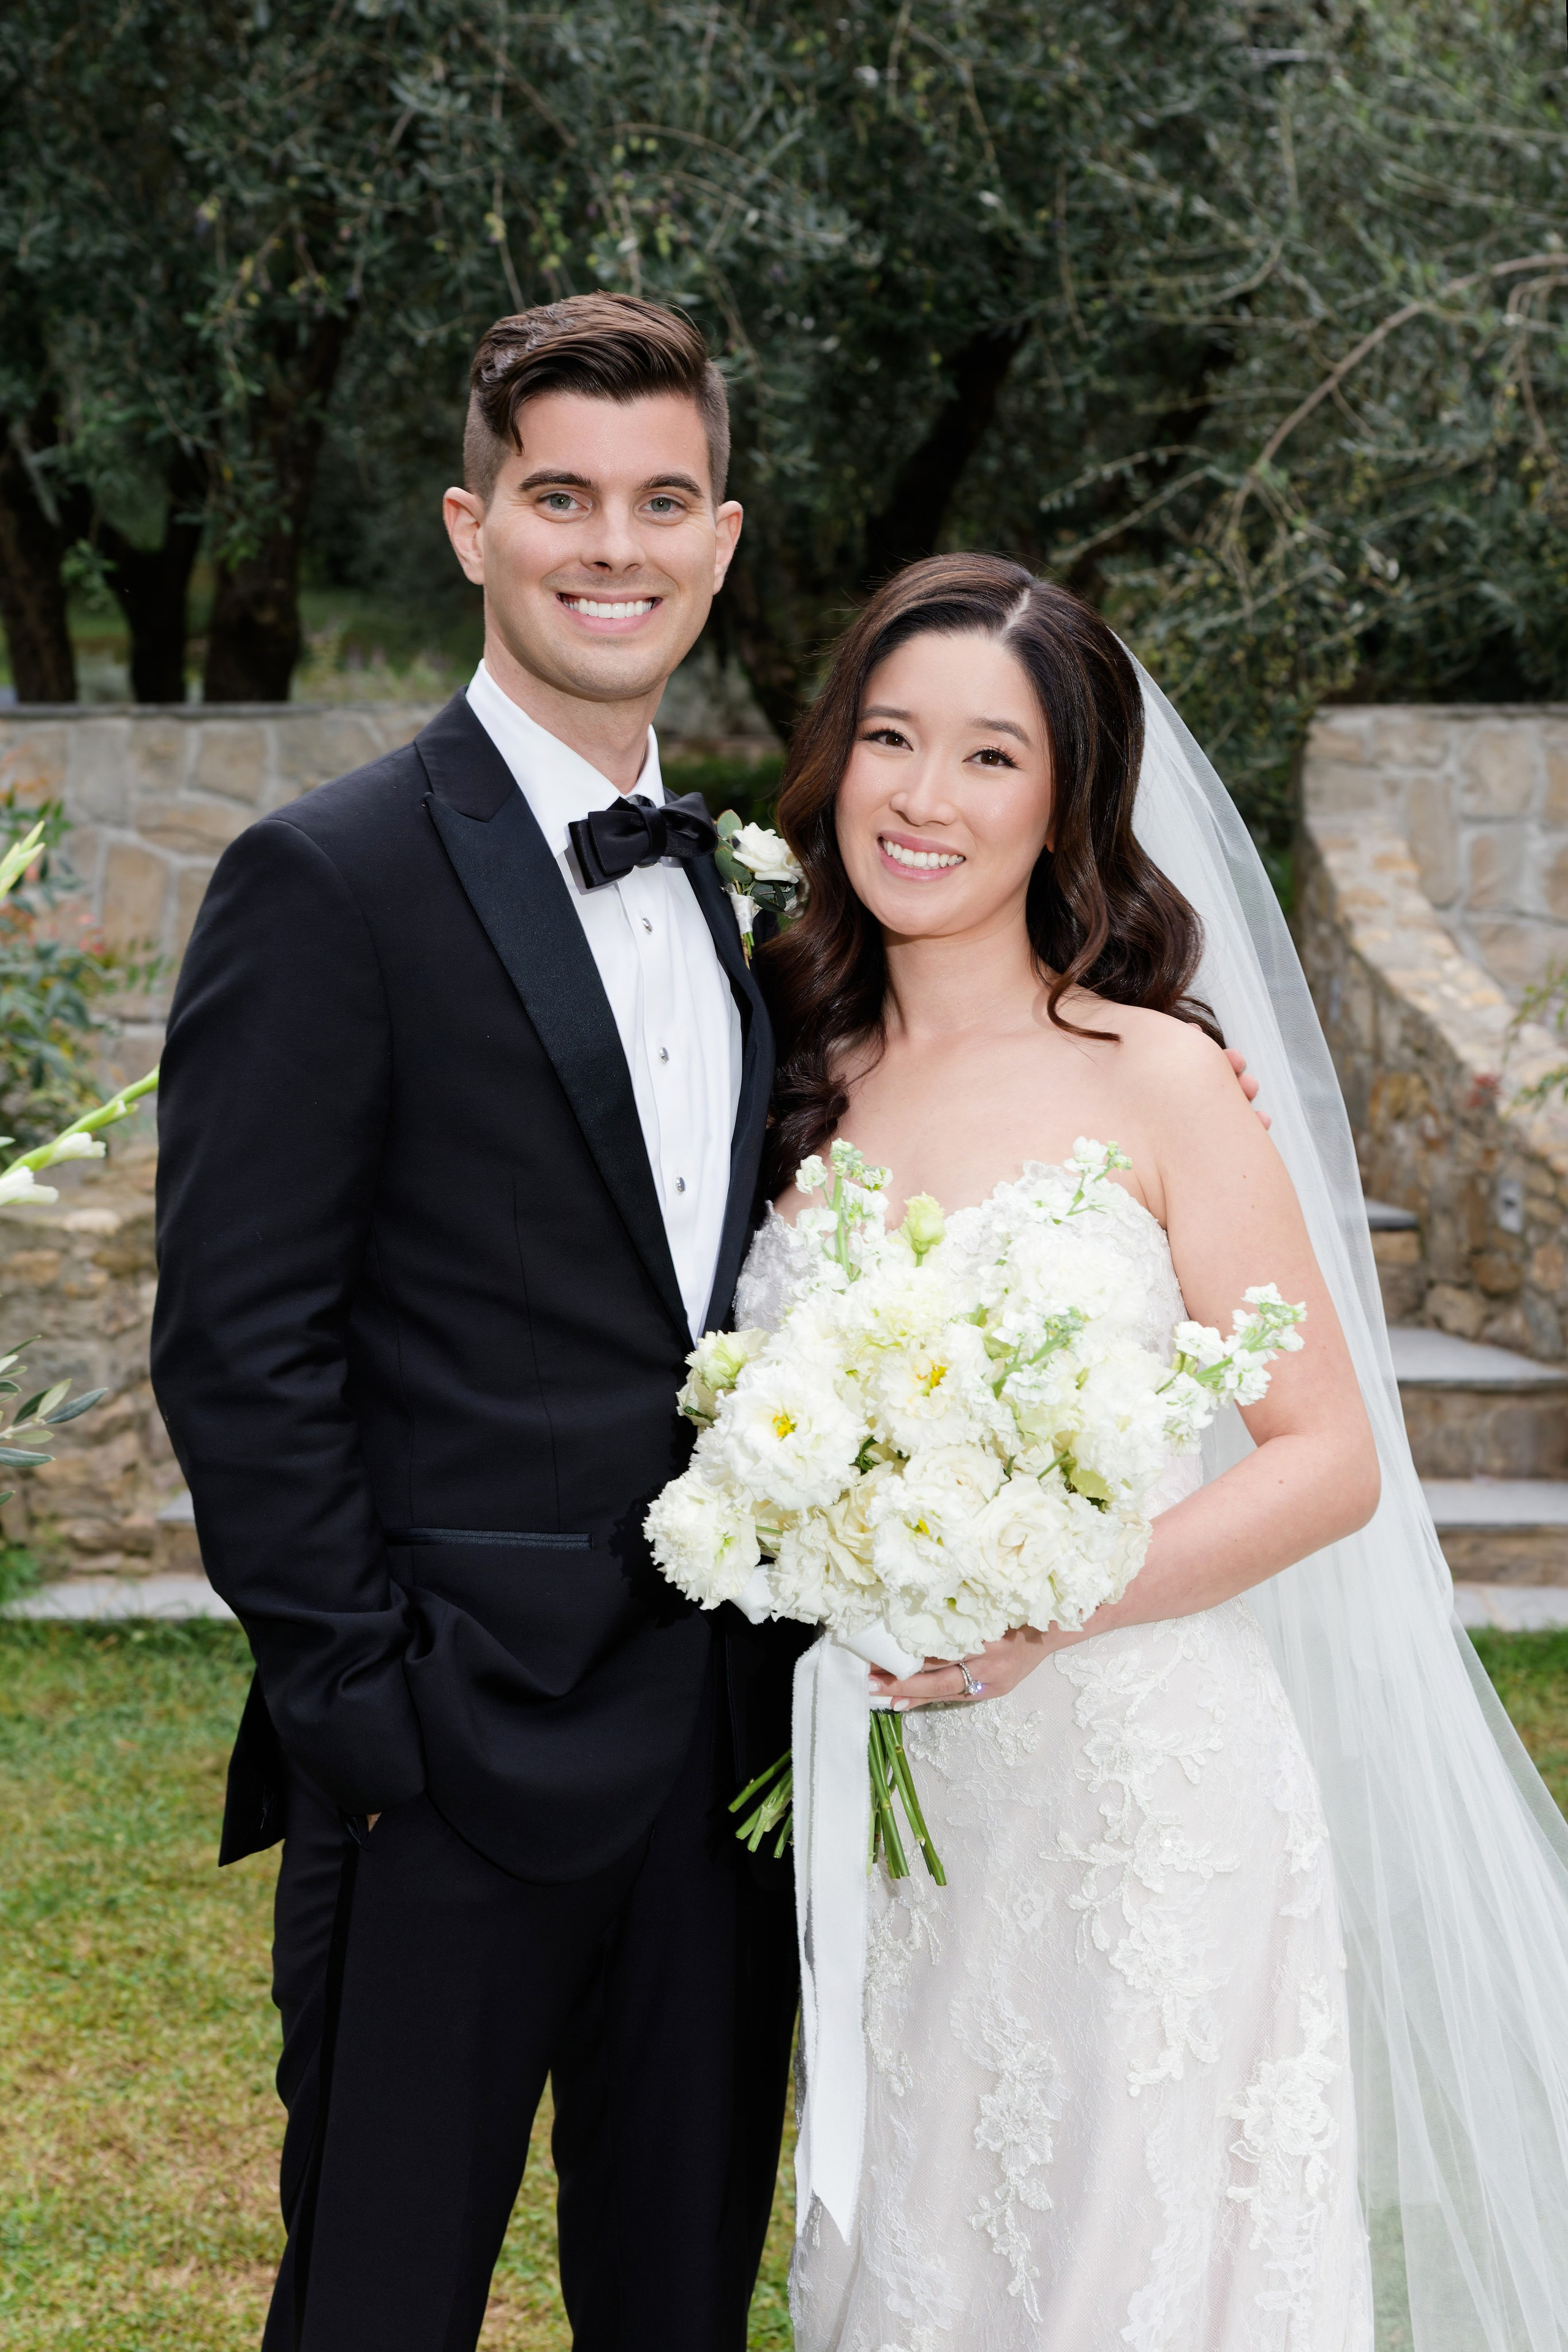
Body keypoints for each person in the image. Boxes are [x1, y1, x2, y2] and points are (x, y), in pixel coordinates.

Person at [741, 554, 1568, 2348]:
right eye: (891, 739)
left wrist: (1055, 1602)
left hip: (1141, 1789)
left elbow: (1328, 1454)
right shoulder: (786, 1051)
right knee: (928, 2255)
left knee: (1142, 2261)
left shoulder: (1160, 1075)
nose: (924, 798)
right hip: (897, 1801)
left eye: (989, 759)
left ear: (1066, 806)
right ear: (836, 762)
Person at [151, 293, 803, 2352]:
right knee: (378, 2302)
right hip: (444, 1759)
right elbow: (240, 1340)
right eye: (562, 500)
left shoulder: (738, 885)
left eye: (660, 502)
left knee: (679, 2298)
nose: (613, 547)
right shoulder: (322, 878)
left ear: (720, 541)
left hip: (724, 1764)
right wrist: (371, 1715)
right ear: (470, 526)